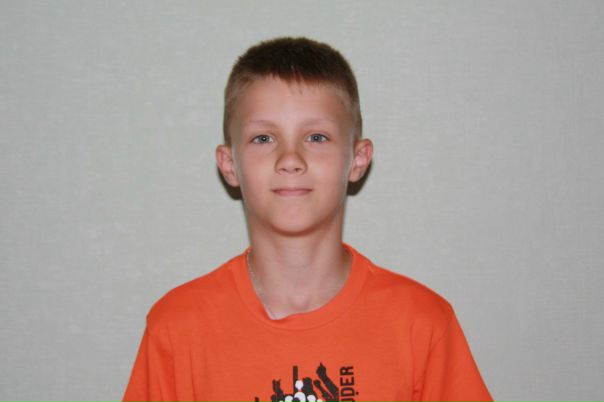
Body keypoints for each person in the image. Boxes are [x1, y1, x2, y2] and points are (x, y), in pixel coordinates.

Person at [122, 37, 493, 402]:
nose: (290, 159)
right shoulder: (178, 328)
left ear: (358, 159)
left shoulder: (421, 324)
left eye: (316, 137)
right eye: (263, 138)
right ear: (229, 164)